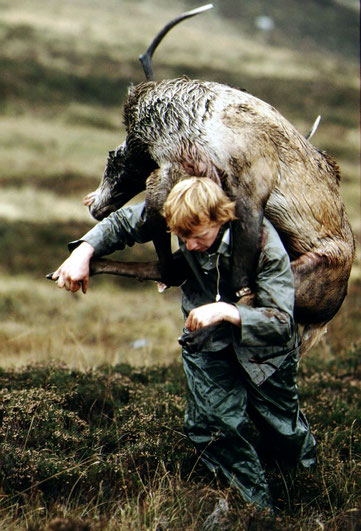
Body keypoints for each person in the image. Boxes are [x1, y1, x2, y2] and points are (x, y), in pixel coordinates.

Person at [53, 177, 316, 511]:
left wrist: (227, 312)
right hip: (206, 344)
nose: (189, 246)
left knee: (283, 433)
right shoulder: (177, 215)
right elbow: (122, 223)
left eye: (198, 236)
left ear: (221, 219)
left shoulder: (263, 242)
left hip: (265, 353)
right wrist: (84, 252)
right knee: (214, 428)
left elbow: (280, 323)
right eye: (182, 237)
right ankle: (256, 511)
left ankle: (310, 486)